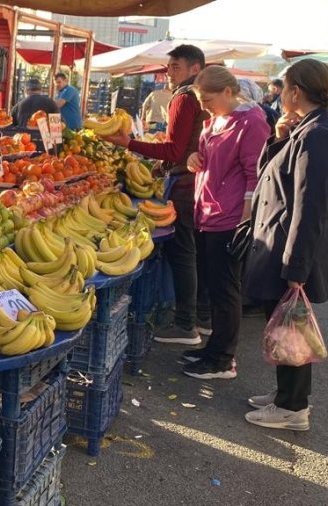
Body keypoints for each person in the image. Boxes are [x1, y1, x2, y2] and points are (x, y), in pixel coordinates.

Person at [244, 60, 328, 431]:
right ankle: (286, 394)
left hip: (291, 244)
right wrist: (279, 137)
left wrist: (296, 265)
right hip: (283, 240)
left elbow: (309, 206)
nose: (281, 93)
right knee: (283, 321)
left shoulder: (319, 134)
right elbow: (269, 177)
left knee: (292, 326)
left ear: (296, 91)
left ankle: (293, 407)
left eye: (284, 87)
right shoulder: (306, 128)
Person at [102, 44, 210, 346]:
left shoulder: (184, 97)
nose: (169, 72)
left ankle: (186, 325)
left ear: (195, 69)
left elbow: (174, 149)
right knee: (195, 252)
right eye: (169, 66)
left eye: (175, 66)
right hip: (198, 182)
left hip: (185, 185)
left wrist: (128, 143)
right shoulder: (203, 97)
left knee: (183, 254)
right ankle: (203, 317)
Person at [180, 67, 270, 379]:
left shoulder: (251, 122)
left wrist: (244, 222)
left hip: (229, 219)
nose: (204, 106)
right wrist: (193, 159)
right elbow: (208, 161)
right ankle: (214, 348)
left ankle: (222, 359)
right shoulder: (216, 121)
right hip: (207, 213)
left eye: (208, 99)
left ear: (228, 92)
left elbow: (255, 175)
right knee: (213, 286)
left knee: (225, 289)